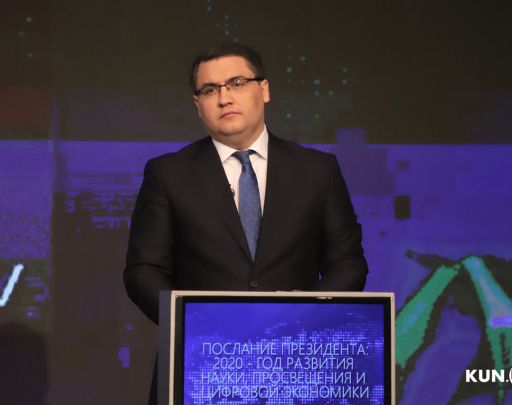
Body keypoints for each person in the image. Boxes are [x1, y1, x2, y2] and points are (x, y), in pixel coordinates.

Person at [124, 43, 368, 403]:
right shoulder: (168, 174)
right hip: (201, 364)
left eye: (237, 83)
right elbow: (143, 271)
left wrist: (303, 315)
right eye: (210, 90)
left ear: (264, 89)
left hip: (297, 363)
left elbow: (347, 263)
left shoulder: (318, 170)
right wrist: (197, 322)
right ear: (198, 104)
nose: (224, 98)